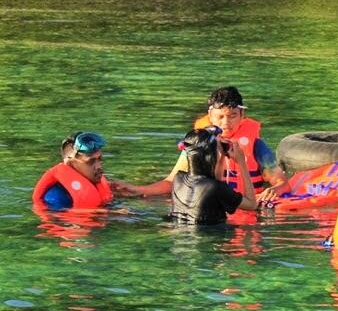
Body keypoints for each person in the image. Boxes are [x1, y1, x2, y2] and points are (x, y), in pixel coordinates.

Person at [119, 86, 290, 202]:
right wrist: (138, 189)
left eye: (233, 116)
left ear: (242, 115)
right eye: (220, 116)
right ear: (210, 115)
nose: (226, 123)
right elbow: (171, 181)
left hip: (247, 205)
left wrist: (273, 191)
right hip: (211, 204)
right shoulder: (198, 143)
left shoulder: (256, 145)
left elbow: (282, 183)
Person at [170, 127, 257, 225]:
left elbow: (214, 182)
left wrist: (221, 155)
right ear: (211, 156)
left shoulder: (178, 179)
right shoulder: (217, 188)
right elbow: (252, 204)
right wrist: (242, 163)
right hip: (211, 236)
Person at [32, 131, 116, 210]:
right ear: (70, 163)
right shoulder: (56, 198)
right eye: (91, 162)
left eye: (99, 159)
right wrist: (109, 214)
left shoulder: (92, 179)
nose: (99, 166)